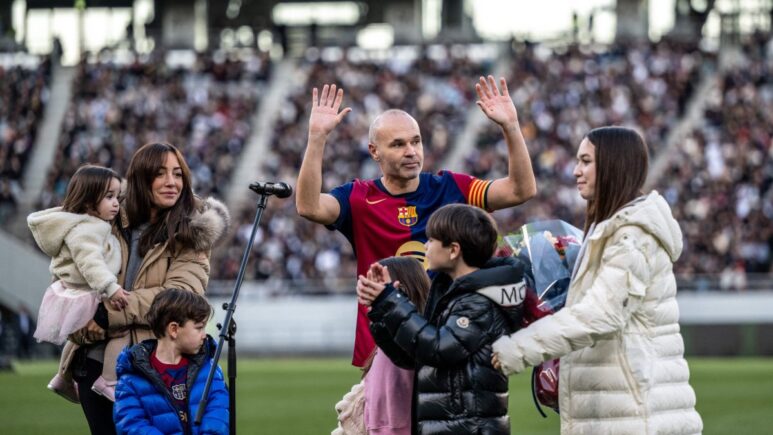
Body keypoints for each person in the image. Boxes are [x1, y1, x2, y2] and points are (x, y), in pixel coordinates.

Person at [297, 77, 537, 367]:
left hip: (447, 339)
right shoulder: (359, 198)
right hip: (383, 348)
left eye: (416, 141)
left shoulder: (451, 188)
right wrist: (317, 138)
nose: (411, 151)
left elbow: (520, 190)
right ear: (374, 152)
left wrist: (511, 127)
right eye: (398, 144)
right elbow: (308, 206)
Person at [491, 127, 703, 434]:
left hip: (636, 416)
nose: (576, 170)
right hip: (619, 411)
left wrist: (518, 348)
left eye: (586, 161)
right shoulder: (609, 229)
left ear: (613, 165)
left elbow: (600, 315)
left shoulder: (633, 236)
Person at [69, 142, 230, 435]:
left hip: (150, 368)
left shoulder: (193, 233)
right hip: (93, 361)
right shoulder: (108, 220)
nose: (172, 182)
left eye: (178, 174)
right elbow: (73, 281)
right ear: (141, 179)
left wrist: (105, 316)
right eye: (160, 174)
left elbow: (180, 299)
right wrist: (81, 323)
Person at [357, 204, 529, 434]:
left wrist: (391, 301)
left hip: (468, 427)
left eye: (431, 240)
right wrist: (381, 308)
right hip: (453, 424)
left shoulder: (477, 302)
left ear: (453, 250)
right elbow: (415, 358)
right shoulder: (454, 294)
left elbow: (438, 348)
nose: (425, 246)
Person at [27, 165, 130, 402]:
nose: (116, 203)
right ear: (87, 201)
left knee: (75, 342)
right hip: (87, 293)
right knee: (121, 331)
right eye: (109, 197)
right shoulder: (86, 229)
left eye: (117, 197)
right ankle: (107, 380)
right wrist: (112, 288)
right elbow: (90, 263)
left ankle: (63, 376)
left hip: (77, 292)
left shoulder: (85, 225)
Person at [333, 256, 430, 435]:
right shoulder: (388, 337)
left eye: (376, 287)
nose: (367, 297)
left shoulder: (413, 340)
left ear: (400, 290)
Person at [113, 288, 229, 435]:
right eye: (199, 328)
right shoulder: (132, 376)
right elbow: (131, 425)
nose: (204, 335)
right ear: (174, 329)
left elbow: (218, 415)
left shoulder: (209, 369)